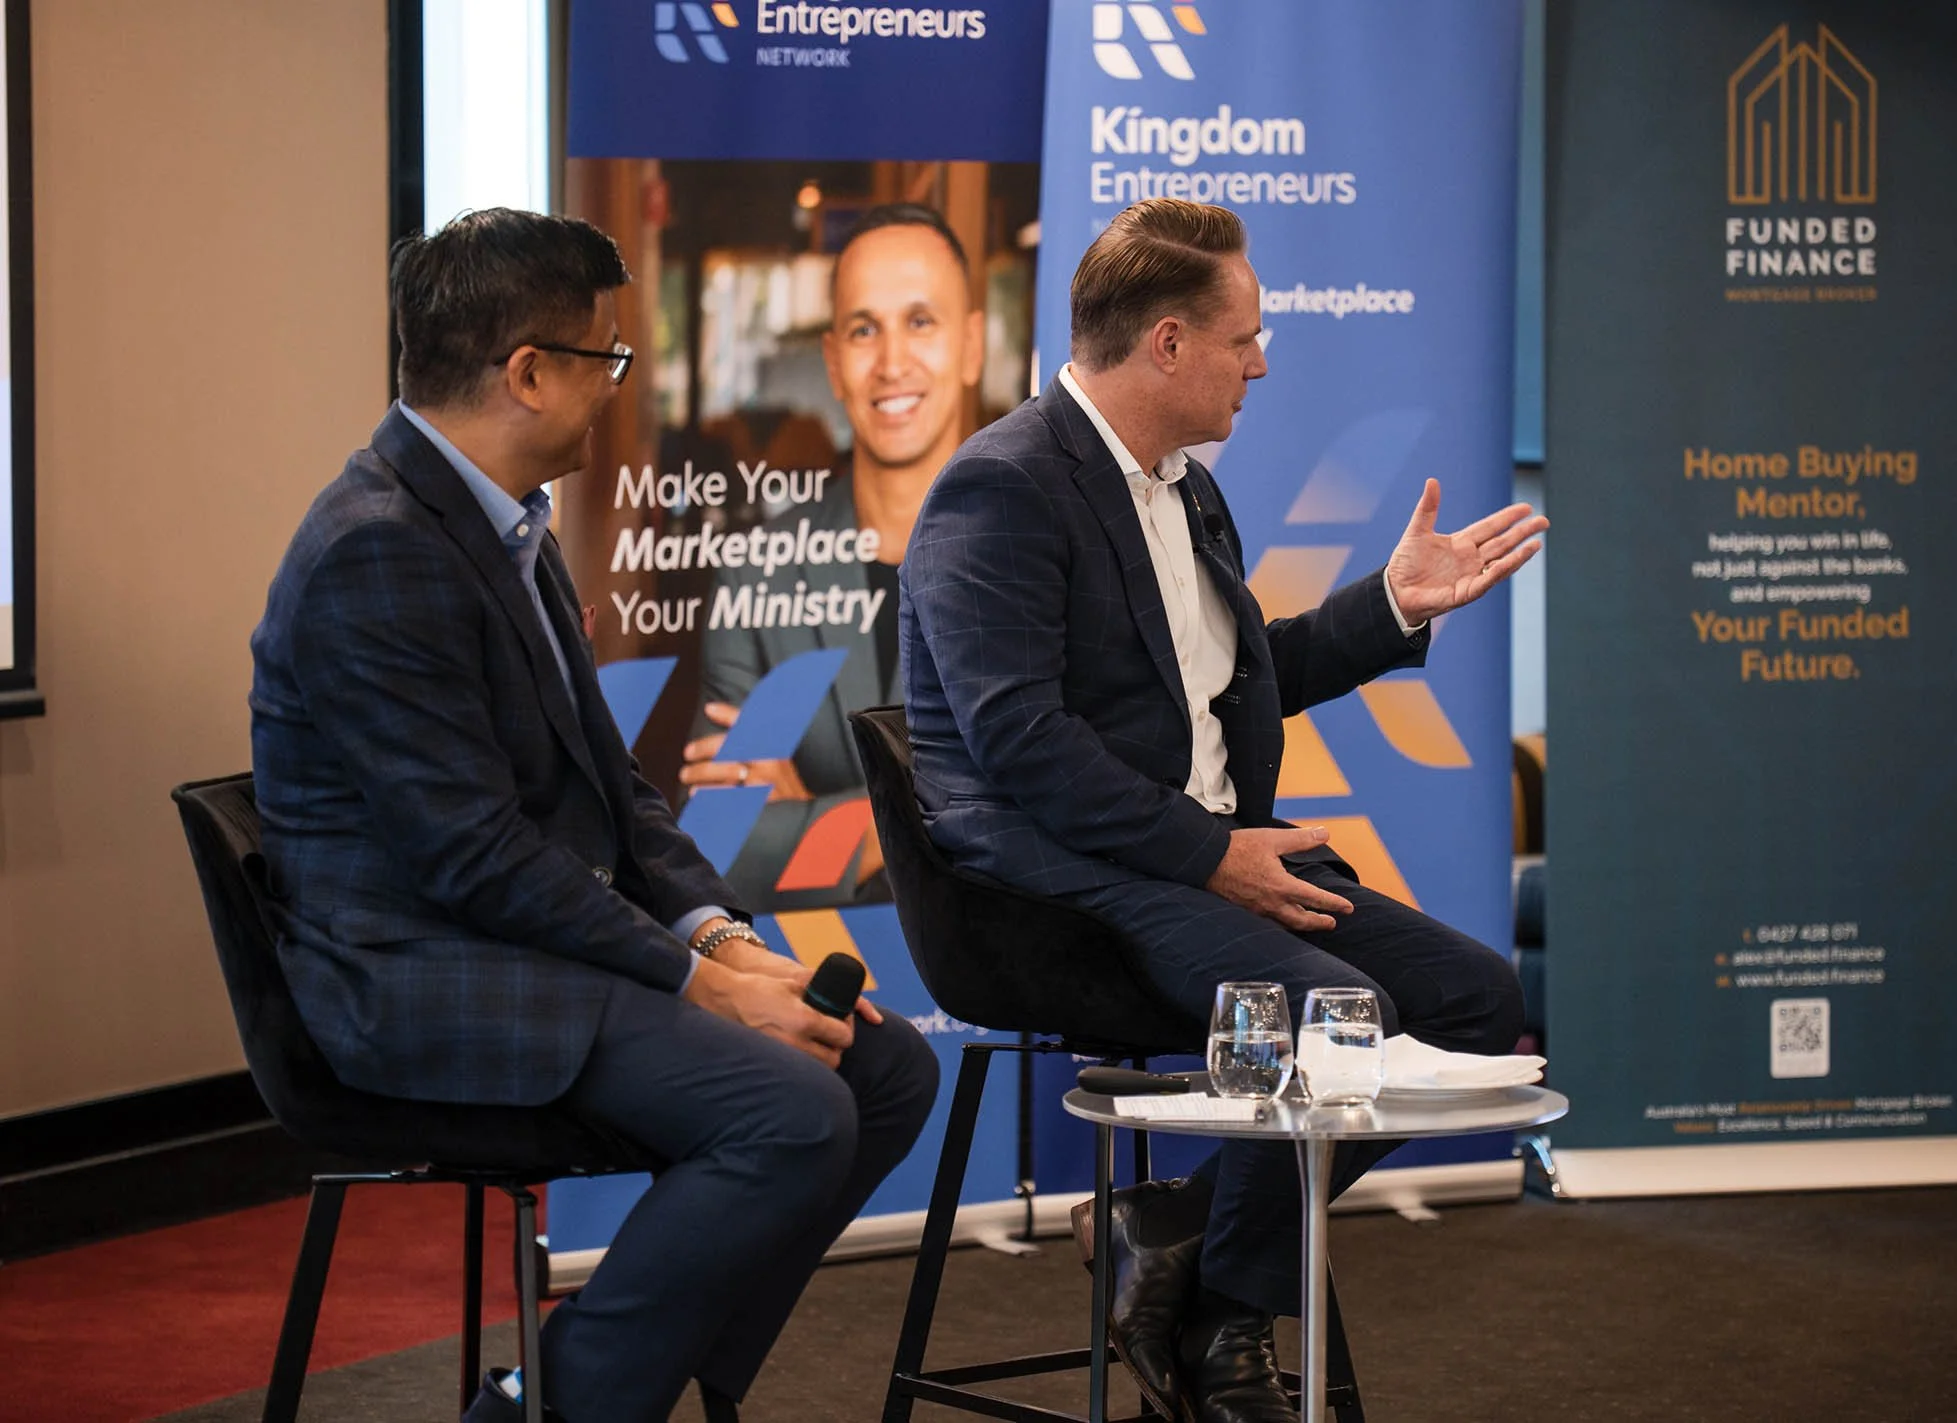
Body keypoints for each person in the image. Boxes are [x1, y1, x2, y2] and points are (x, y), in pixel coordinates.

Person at [249, 209, 938, 1423]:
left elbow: (616, 794)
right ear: (526, 373)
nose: (618, 389)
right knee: (787, 1109)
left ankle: (646, 1377)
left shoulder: (502, 522)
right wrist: (696, 984)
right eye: (605, 360)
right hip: (419, 982)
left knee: (881, 1067)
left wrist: (720, 937)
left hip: (520, 947)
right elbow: (471, 857)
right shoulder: (379, 551)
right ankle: (549, 1409)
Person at [900, 198, 1545, 1423]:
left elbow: (1237, 674)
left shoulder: (1184, 487)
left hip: (1190, 857)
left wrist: (1395, 605)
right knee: (1338, 1014)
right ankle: (1227, 1329)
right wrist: (1213, 857)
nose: (1261, 361)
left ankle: (1180, 1245)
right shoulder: (1000, 489)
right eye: (1244, 336)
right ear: (1166, 344)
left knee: (1477, 1001)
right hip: (1047, 884)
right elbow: (1019, 744)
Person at [678, 204, 984, 905]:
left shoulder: (1044, 558)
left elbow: (1051, 821)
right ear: (833, 362)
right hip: (813, 988)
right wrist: (939, 818)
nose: (892, 362)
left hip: (993, 998)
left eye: (920, 321)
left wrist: (812, 814)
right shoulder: (760, 567)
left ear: (970, 346)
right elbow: (719, 842)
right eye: (863, 329)